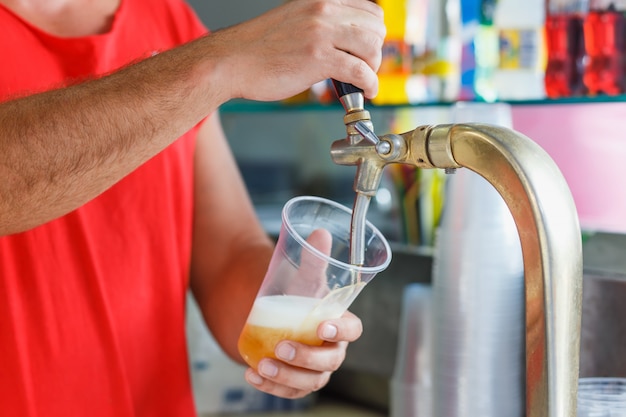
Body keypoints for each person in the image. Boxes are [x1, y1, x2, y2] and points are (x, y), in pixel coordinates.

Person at [0, 0, 385, 416]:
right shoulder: (201, 59)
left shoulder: (168, 18)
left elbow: (225, 256)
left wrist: (289, 307)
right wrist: (219, 63)